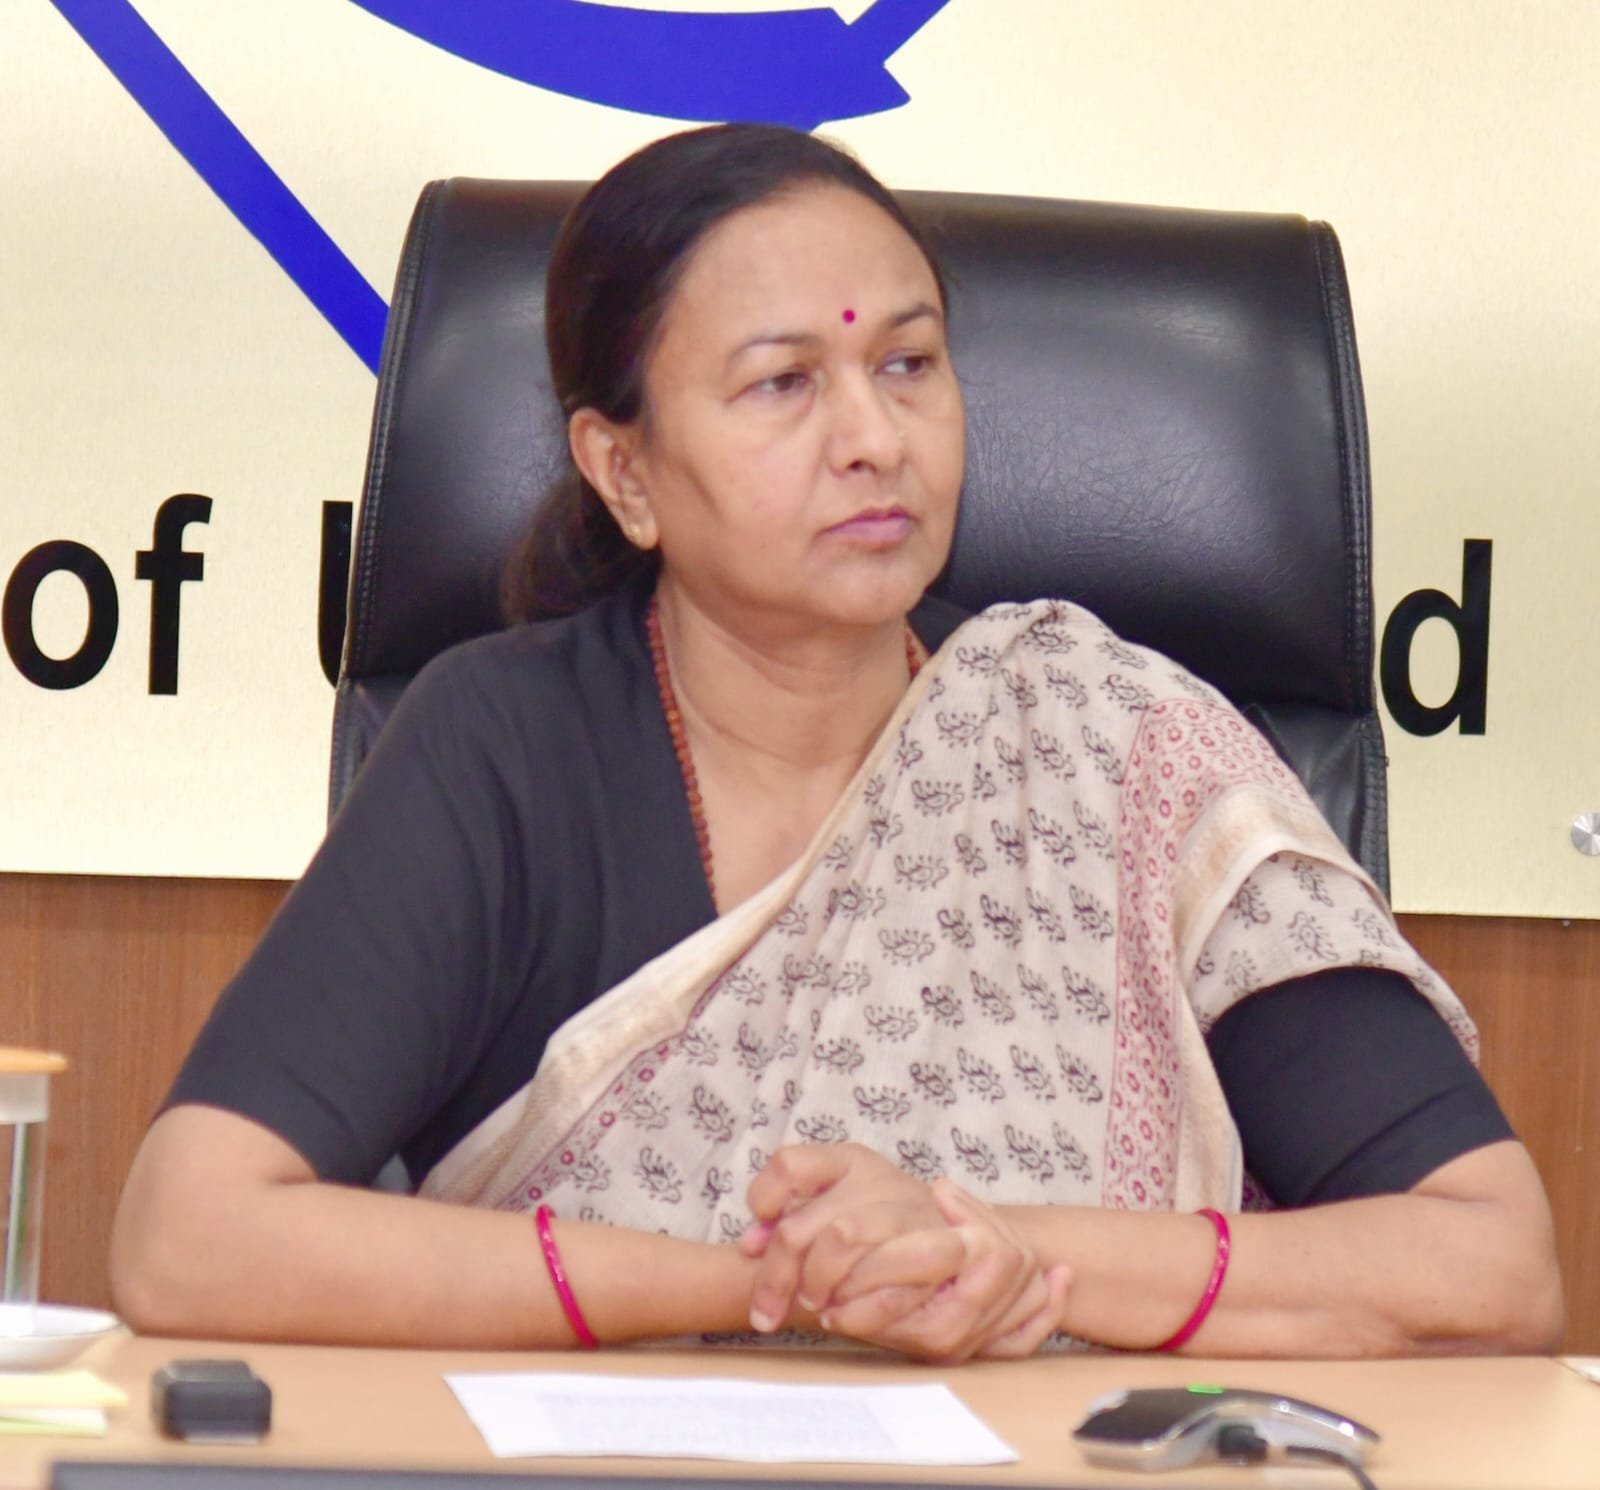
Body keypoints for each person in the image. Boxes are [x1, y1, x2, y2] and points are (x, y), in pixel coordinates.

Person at [111, 124, 1562, 1363]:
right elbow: (190, 1234)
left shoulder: (1112, 747)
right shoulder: (504, 749)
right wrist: (777, 1286)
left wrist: (1000, 1256)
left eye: (910, 363)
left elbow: (1492, 1266)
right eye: (783, 383)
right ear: (624, 470)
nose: (875, 436)